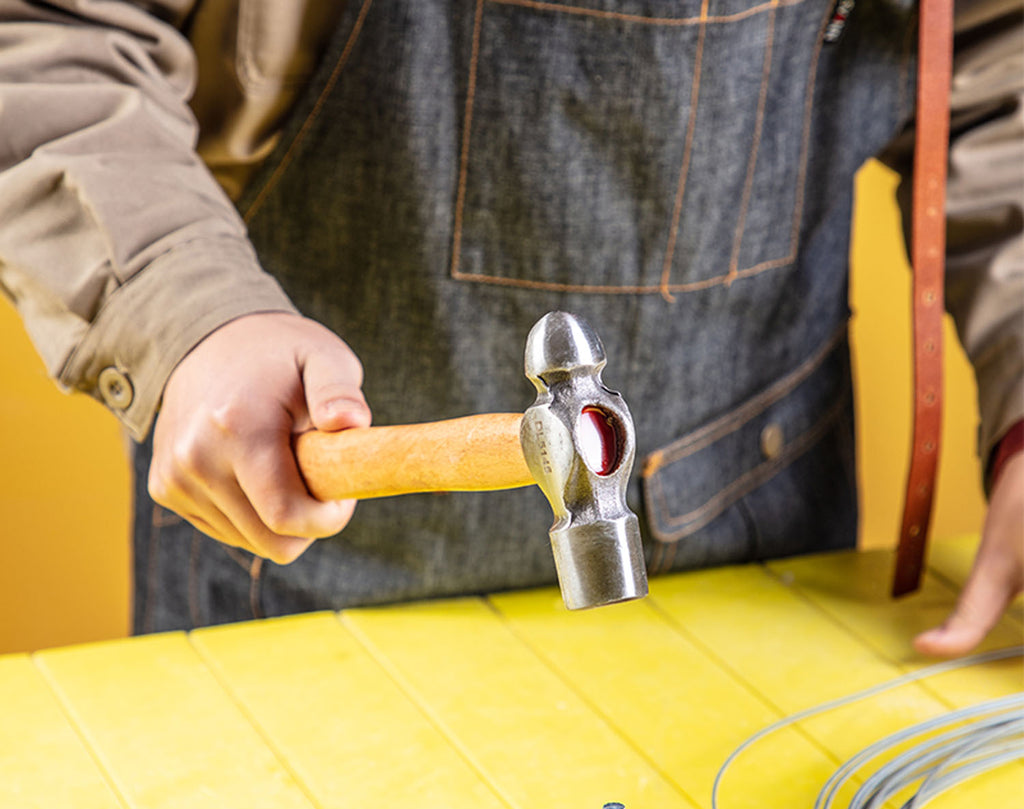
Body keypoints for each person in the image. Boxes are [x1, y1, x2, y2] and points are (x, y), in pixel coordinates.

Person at [0, 0, 1020, 654]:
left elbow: (1002, 61)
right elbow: (46, 30)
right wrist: (178, 307)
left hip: (775, 579)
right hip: (296, 579)